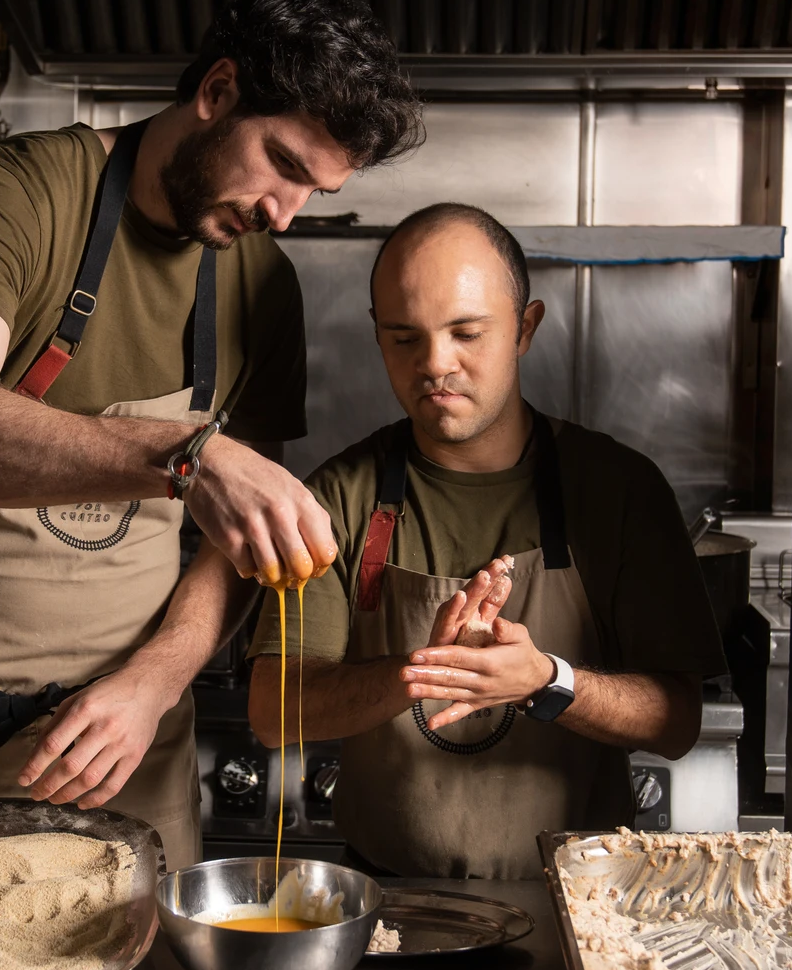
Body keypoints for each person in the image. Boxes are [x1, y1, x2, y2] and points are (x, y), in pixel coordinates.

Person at [0, 0, 423, 868]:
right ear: (216, 93)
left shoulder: (264, 285)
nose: (281, 213)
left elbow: (237, 544)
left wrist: (157, 678)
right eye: (281, 164)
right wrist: (184, 456)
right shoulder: (26, 190)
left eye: (313, 190)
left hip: (128, 743)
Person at [246, 203, 725, 879]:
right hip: (388, 900)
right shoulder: (337, 497)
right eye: (404, 338)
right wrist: (422, 670)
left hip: (579, 902)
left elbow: (676, 721)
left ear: (525, 327)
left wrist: (546, 681)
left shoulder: (619, 490)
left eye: (466, 332)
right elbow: (273, 712)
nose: (436, 364)